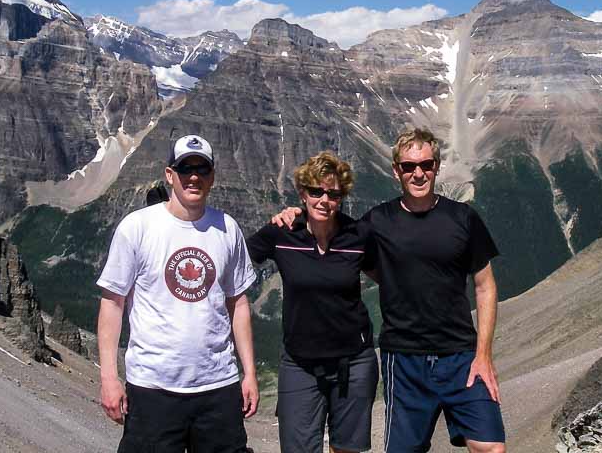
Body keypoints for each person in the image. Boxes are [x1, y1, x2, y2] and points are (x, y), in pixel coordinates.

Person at [274, 128, 506, 453]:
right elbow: (333, 232)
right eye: (409, 166)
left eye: (426, 164)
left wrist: (483, 356)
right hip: (404, 357)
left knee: (491, 447)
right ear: (396, 170)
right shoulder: (377, 222)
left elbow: (485, 287)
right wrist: (296, 216)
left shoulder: (463, 217)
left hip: (462, 355)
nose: (418, 173)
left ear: (436, 166)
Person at [97, 134, 258, 453]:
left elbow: (238, 302)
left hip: (218, 386)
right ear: (170, 174)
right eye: (186, 169)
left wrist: (249, 372)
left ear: (212, 176)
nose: (194, 177)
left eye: (202, 169)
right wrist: (109, 379)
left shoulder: (228, 229)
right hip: (152, 387)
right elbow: (113, 304)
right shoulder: (137, 227)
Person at [247, 151, 378, 453]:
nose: (324, 200)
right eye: (316, 191)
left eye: (333, 194)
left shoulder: (357, 236)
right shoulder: (281, 233)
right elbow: (233, 258)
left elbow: (389, 276)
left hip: (354, 361)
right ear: (302, 193)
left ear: (341, 197)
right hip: (300, 363)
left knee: (346, 449)